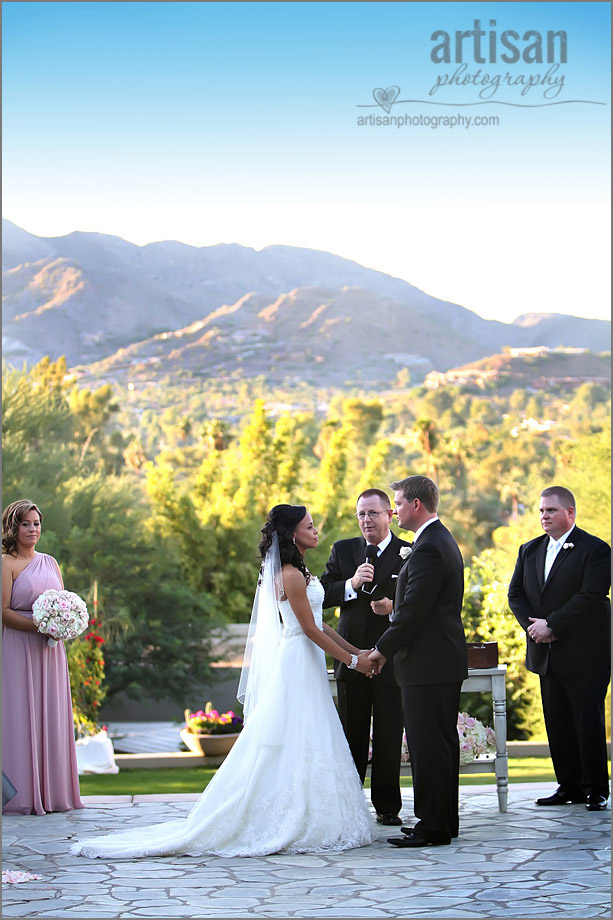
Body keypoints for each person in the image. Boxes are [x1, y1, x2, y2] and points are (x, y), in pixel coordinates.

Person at [71, 505, 375, 858]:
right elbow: (307, 628)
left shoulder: (301, 572)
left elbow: (320, 624)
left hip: (306, 657)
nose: (316, 531)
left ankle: (315, 809)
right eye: (309, 526)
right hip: (296, 659)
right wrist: (354, 661)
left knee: (311, 731)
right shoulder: (290, 575)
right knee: (297, 731)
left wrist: (358, 650)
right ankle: (287, 815)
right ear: (293, 534)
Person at [369, 476, 467, 847]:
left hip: (428, 663)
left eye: (397, 503)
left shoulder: (427, 548)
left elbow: (412, 613)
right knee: (439, 745)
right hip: (437, 661)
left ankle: (433, 825)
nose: (393, 511)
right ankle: (442, 820)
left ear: (416, 505)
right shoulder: (437, 539)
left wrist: (381, 650)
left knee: (429, 746)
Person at [508, 486, 611, 812]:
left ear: (570, 512)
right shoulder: (529, 549)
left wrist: (552, 624)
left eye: (551, 510)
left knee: (586, 719)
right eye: (541, 511)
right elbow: (516, 595)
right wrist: (535, 628)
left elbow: (591, 596)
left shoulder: (595, 550)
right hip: (545, 652)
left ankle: (596, 788)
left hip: (585, 652)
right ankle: (568, 785)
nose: (544, 516)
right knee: (558, 722)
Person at [320, 488, 408, 826]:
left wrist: (393, 608)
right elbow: (322, 596)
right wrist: (351, 583)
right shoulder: (344, 550)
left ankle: (388, 808)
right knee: (351, 736)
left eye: (373, 513)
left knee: (388, 735)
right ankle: (349, 806)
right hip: (351, 657)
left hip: (391, 661)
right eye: (361, 514)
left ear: (390, 515)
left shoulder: (409, 551)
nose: (366, 520)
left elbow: (421, 602)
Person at [2, 500, 83, 815]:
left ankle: (53, 793)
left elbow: (64, 602)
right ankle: (21, 796)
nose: (32, 529)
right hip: (17, 647)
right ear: (13, 527)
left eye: (36, 523)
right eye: (25, 524)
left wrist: (64, 625)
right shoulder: (6, 563)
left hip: (50, 652)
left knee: (50, 715)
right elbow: (4, 612)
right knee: (18, 714)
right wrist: (40, 625)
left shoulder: (50, 562)